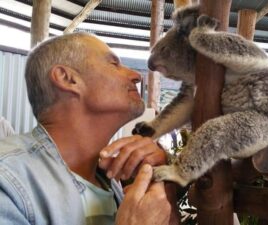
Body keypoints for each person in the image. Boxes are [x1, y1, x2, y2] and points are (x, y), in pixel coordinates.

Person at [0, 32, 175, 225]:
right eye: (114, 64)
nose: (137, 76)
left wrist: (161, 184)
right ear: (67, 78)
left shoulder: (112, 182)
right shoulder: (7, 180)